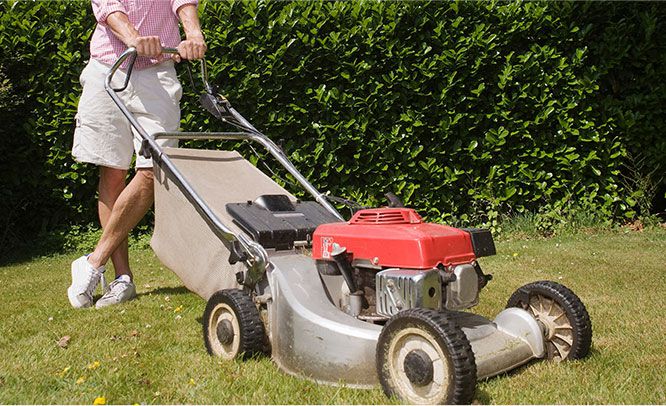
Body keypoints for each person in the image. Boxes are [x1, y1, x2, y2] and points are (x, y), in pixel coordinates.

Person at [68, 0, 207, 308]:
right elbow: (108, 7)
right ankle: (123, 279)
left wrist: (193, 34)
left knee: (156, 171)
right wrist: (133, 37)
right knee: (113, 172)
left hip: (158, 73)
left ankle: (93, 261)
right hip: (109, 68)